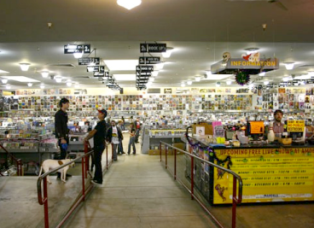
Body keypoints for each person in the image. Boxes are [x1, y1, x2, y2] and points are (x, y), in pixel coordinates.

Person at [84, 109, 107, 185]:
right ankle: (96, 177)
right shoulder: (102, 123)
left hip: (98, 145)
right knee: (97, 161)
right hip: (99, 144)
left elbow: (93, 132)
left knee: (97, 162)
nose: (98, 114)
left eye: (99, 113)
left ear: (103, 114)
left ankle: (99, 179)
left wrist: (86, 138)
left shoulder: (101, 123)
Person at [55, 98, 71, 179]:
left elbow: (64, 126)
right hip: (62, 138)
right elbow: (58, 127)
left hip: (65, 136)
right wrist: (61, 138)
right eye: (67, 103)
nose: (68, 105)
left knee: (64, 155)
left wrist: (69, 131)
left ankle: (63, 172)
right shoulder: (58, 114)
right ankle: (59, 173)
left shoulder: (65, 114)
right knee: (62, 155)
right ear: (63, 104)